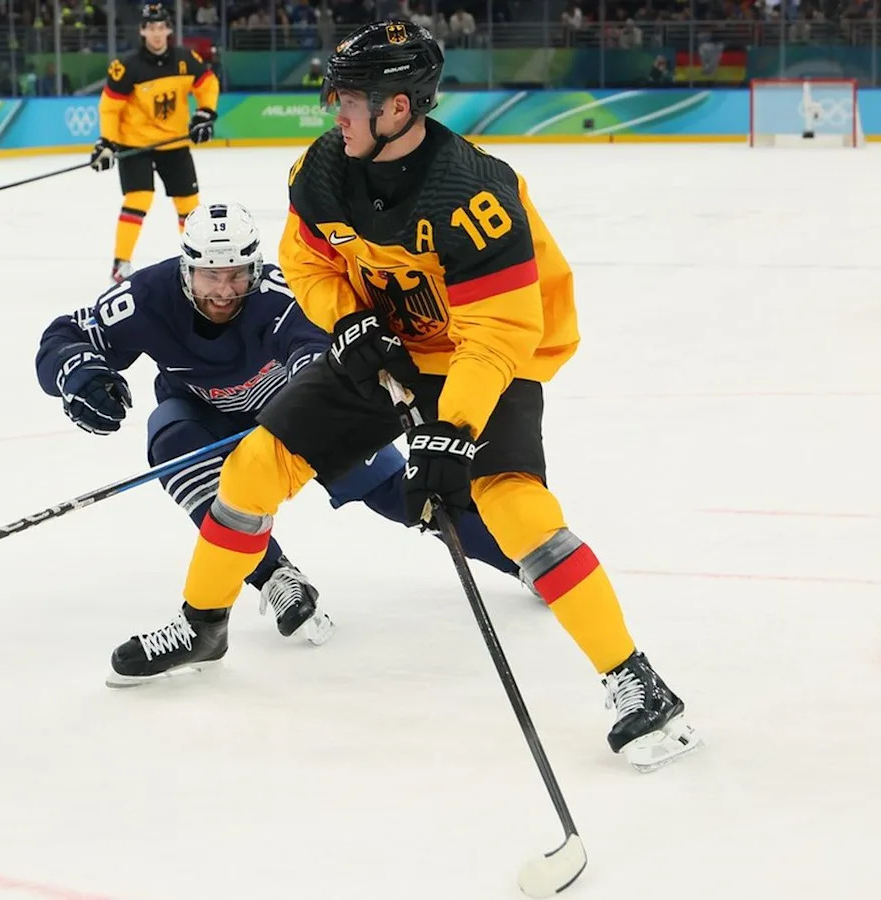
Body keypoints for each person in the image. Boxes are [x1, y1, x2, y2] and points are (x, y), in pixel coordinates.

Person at [109, 21, 700, 772]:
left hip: (488, 355)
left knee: (517, 508)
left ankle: (636, 681)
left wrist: (451, 429)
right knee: (254, 468)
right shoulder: (324, 168)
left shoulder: (476, 192)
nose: (335, 113)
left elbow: (500, 330)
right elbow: (306, 257)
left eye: (350, 100)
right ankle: (203, 624)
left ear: (398, 109)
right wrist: (347, 320)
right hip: (388, 346)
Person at [35, 202, 524, 679]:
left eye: (237, 274)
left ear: (257, 264)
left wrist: (312, 393)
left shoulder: (278, 293)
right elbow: (66, 335)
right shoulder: (146, 296)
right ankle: (274, 576)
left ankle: (522, 560)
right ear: (186, 269)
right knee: (171, 442)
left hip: (294, 419)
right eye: (209, 275)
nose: (224, 290)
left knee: (404, 497)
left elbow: (314, 349)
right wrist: (78, 375)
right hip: (203, 418)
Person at [91, 3, 220, 284]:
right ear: (142, 31)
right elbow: (110, 108)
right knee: (138, 198)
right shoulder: (126, 67)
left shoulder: (187, 59)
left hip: (173, 143)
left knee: (190, 205)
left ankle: (195, 260)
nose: (157, 34)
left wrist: (205, 113)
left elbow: (207, 83)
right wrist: (107, 143)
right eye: (151, 28)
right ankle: (120, 263)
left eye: (161, 27)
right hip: (135, 145)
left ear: (169, 29)